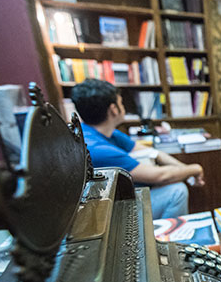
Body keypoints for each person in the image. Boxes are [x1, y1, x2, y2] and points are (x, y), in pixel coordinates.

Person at [71, 79, 204, 219]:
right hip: (109, 214)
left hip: (117, 199)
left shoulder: (104, 133)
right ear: (113, 109)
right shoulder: (97, 149)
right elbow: (159, 176)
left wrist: (186, 170)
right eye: (121, 103)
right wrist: (195, 169)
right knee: (177, 191)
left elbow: (153, 153)